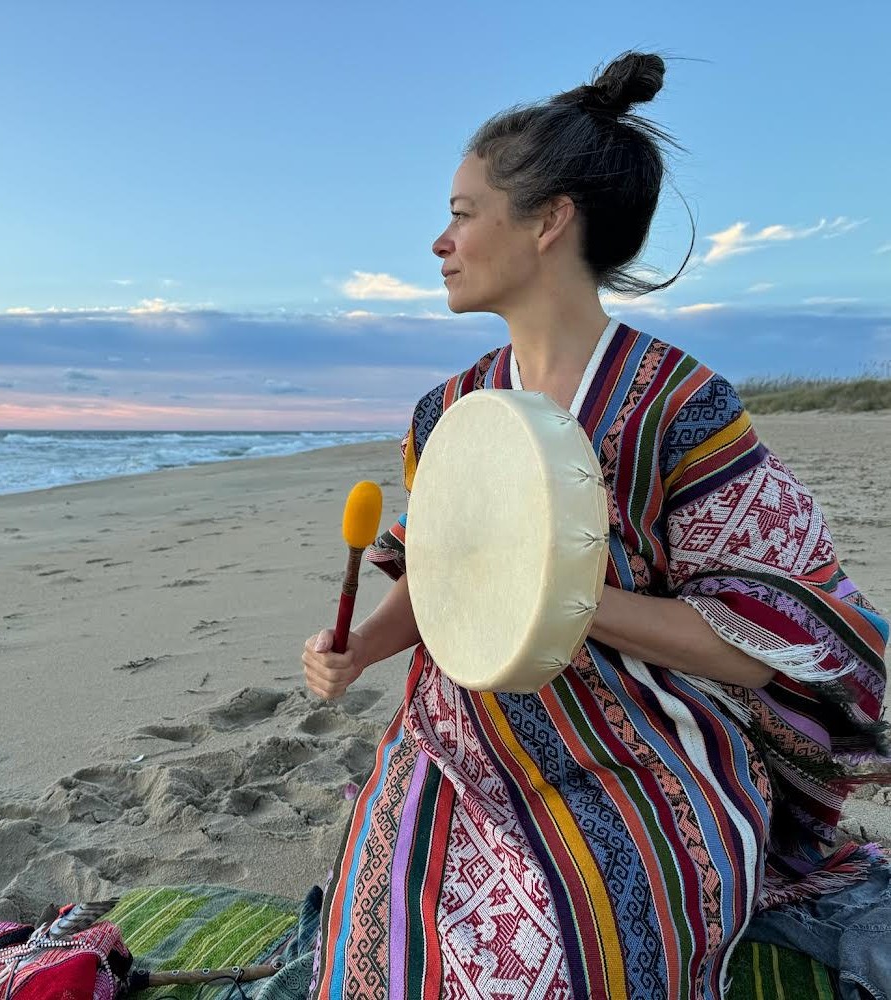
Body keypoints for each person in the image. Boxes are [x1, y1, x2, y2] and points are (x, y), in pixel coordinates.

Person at [301, 52, 890, 999]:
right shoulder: (444, 413)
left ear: (547, 220)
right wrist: (363, 646)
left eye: (461, 212)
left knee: (563, 962)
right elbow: (441, 581)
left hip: (635, 748)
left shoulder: (679, 407)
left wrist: (559, 593)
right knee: (383, 963)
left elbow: (767, 641)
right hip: (455, 740)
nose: (439, 241)